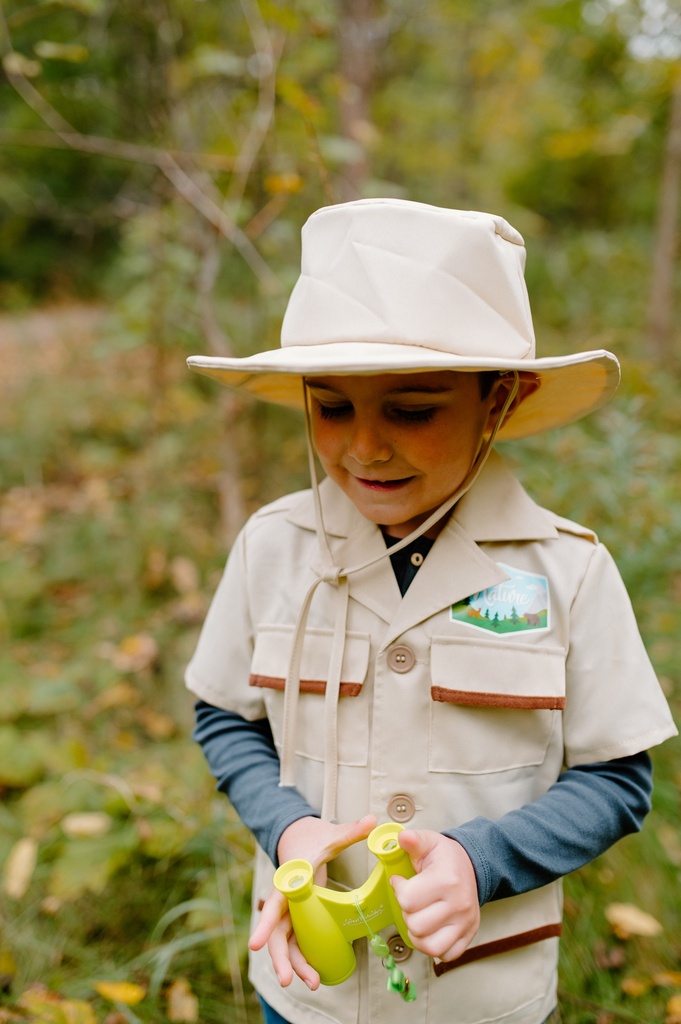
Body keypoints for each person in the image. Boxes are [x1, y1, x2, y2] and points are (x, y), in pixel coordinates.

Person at [184, 199, 677, 1024]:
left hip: (483, 998)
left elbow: (615, 779)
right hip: (311, 991)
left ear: (500, 400)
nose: (365, 447)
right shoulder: (274, 548)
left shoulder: (566, 570)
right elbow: (225, 716)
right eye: (332, 406)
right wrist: (289, 830)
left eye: (412, 411)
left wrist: (480, 862)